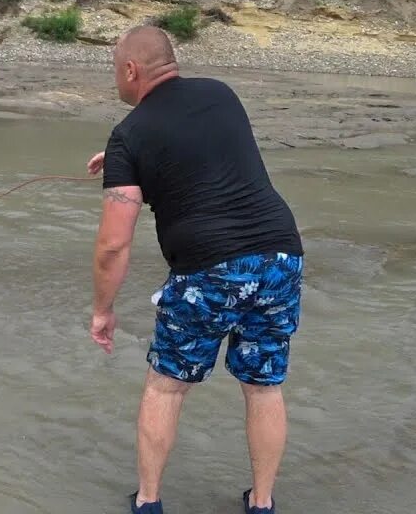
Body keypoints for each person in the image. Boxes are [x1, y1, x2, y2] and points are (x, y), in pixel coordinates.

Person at [86, 25, 304, 514]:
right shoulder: (220, 95)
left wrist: (103, 310)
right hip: (279, 257)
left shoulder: (130, 135)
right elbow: (207, 154)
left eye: (114, 69)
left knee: (166, 384)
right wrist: (128, 163)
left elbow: (113, 245)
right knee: (264, 386)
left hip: (207, 271)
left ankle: (148, 502)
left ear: (130, 70)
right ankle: (262, 503)